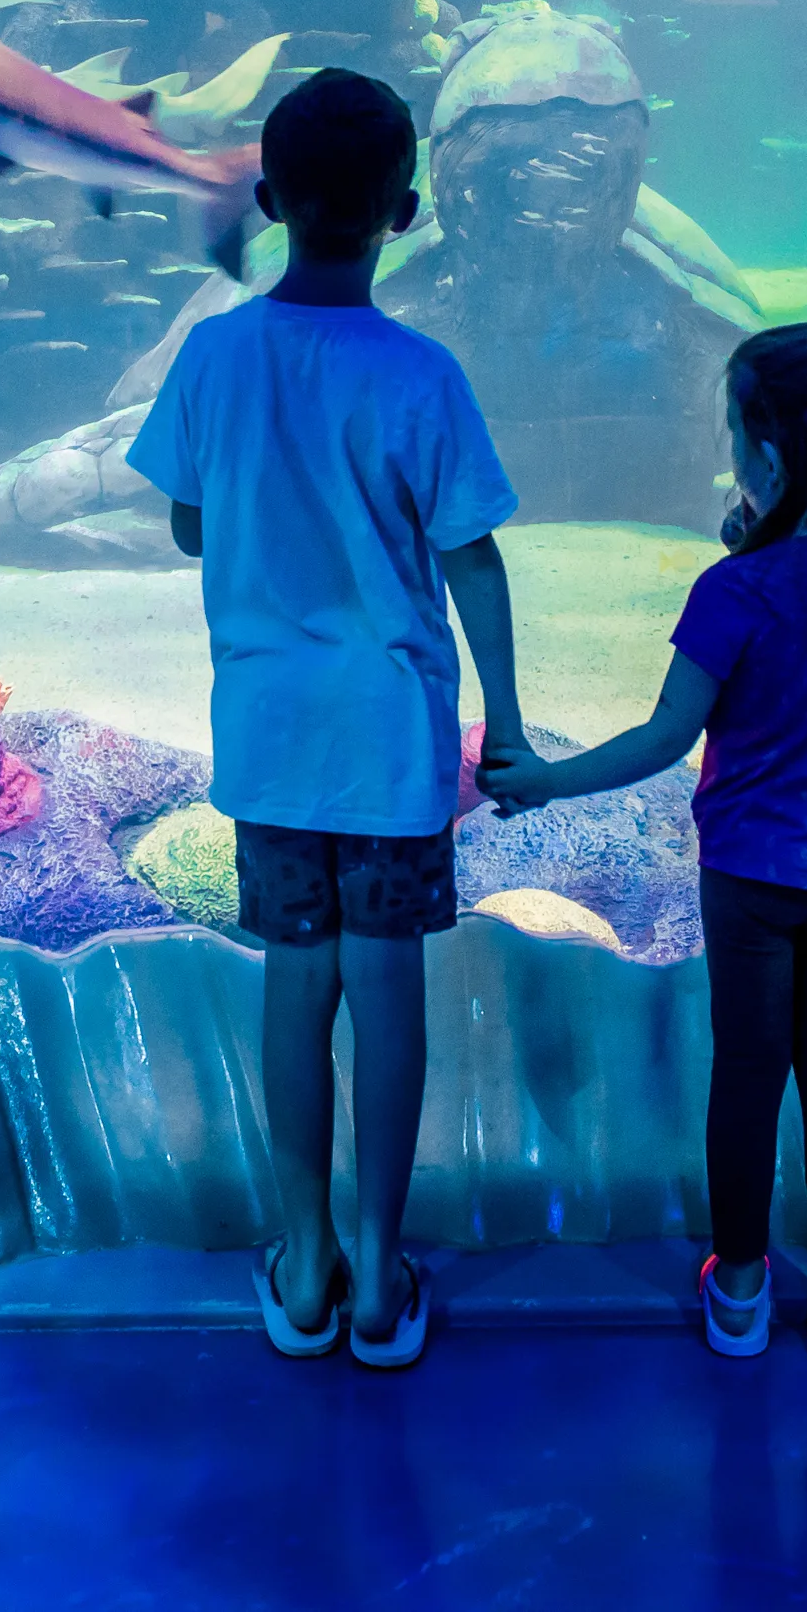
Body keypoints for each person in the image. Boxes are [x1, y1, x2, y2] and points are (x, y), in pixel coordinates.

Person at [127, 67, 527, 1370]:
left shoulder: (214, 350)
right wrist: (508, 716)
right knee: (387, 983)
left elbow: (188, 517)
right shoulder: (422, 374)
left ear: (268, 198)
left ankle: (301, 1263)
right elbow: (471, 554)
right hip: (395, 739)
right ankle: (377, 1265)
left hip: (272, 731)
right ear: (407, 209)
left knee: (296, 985)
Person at [480, 319, 807, 1363]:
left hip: (748, 876)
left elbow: (665, 735)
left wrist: (548, 781)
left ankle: (736, 1289)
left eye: (732, 429)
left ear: (770, 456)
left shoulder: (732, 592)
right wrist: (765, 536)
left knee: (747, 1073)